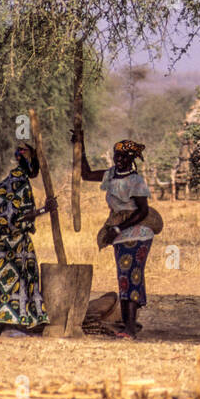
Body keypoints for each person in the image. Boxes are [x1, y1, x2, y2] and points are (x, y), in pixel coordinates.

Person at [75, 134, 152, 339]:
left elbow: (143, 211)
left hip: (137, 233)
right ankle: (128, 325)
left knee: (132, 277)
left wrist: (118, 229)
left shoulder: (135, 181)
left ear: (132, 159)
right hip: (119, 233)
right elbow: (86, 174)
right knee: (124, 278)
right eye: (117, 155)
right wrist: (80, 145)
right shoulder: (110, 175)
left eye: (125, 156)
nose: (120, 159)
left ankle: (129, 328)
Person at [0, 143, 57, 336]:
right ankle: (9, 326)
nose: (37, 168)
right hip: (5, 243)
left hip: (13, 241)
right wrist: (44, 210)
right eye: (35, 162)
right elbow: (15, 217)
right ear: (27, 161)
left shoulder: (17, 180)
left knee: (19, 281)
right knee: (10, 282)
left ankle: (17, 323)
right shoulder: (18, 182)